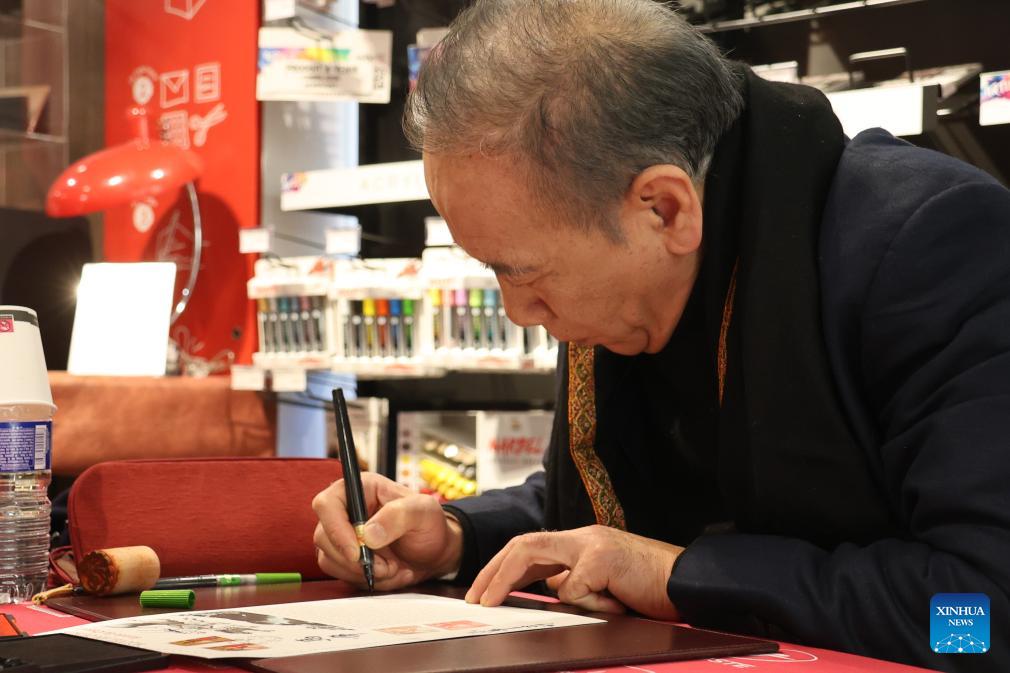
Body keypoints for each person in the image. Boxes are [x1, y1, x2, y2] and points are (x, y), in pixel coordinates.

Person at [312, 1, 1010, 670]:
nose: (518, 310)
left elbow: (983, 616)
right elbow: (619, 500)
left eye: (520, 271)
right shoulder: (633, 268)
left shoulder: (933, 247)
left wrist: (682, 576)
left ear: (666, 208)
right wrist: (455, 535)